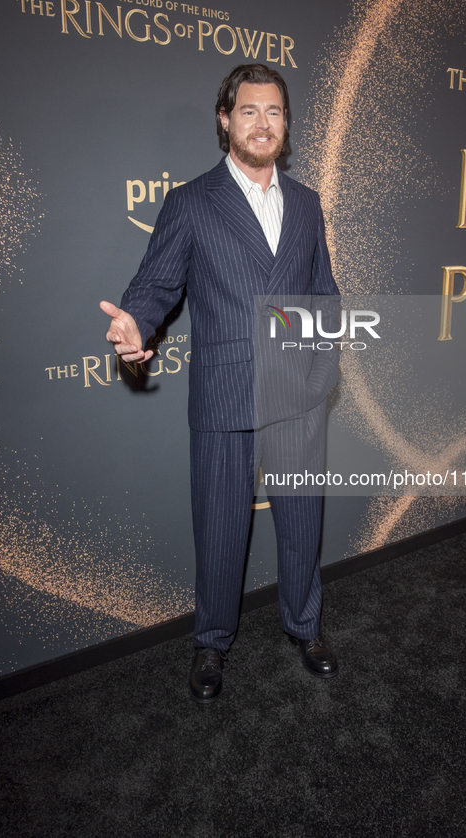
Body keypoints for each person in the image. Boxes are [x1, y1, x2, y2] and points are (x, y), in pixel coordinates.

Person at [101, 63, 340, 704]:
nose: (263, 123)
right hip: (224, 395)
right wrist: (136, 327)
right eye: (250, 111)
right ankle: (212, 640)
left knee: (301, 523)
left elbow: (324, 294)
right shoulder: (190, 201)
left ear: (285, 125)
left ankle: (305, 625)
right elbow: (156, 286)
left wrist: (325, 363)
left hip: (298, 394)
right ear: (226, 120)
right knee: (221, 525)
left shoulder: (308, 204)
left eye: (275, 112)